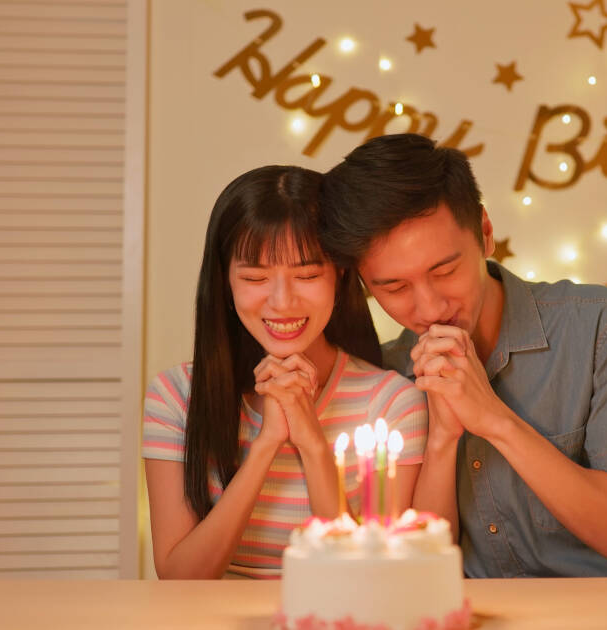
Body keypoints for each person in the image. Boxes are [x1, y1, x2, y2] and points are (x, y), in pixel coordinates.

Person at [319, 134, 607, 578]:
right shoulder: (387, 380)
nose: (428, 309)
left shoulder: (604, 329)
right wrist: (441, 441)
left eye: (444, 271)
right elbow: (412, 579)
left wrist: (494, 420)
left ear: (485, 234)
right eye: (394, 288)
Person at [142, 166, 427, 579]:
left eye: (307, 275)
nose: (282, 302)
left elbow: (368, 581)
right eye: (255, 277)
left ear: (340, 273)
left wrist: (311, 442)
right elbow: (179, 579)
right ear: (225, 281)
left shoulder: (392, 402)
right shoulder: (175, 396)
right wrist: (267, 444)